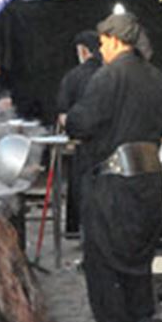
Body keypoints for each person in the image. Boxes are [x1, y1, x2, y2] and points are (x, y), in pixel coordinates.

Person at [65, 11, 162, 322]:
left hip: (113, 185)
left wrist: (69, 120)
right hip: (149, 183)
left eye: (102, 42)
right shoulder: (156, 77)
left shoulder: (108, 76)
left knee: (105, 265)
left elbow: (83, 122)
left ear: (114, 40)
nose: (100, 49)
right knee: (138, 264)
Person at [56, 30, 103, 237]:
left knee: (80, 186)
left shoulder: (73, 77)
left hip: (82, 144)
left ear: (84, 51)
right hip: (111, 145)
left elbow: (63, 116)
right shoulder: (112, 74)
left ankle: (77, 229)